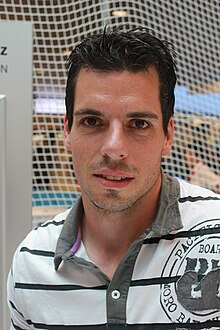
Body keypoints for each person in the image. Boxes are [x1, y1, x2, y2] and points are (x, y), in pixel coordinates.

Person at [7, 27, 220, 329]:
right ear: (67, 131)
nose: (114, 149)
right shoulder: (31, 265)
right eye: (92, 121)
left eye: (139, 123)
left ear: (168, 135)